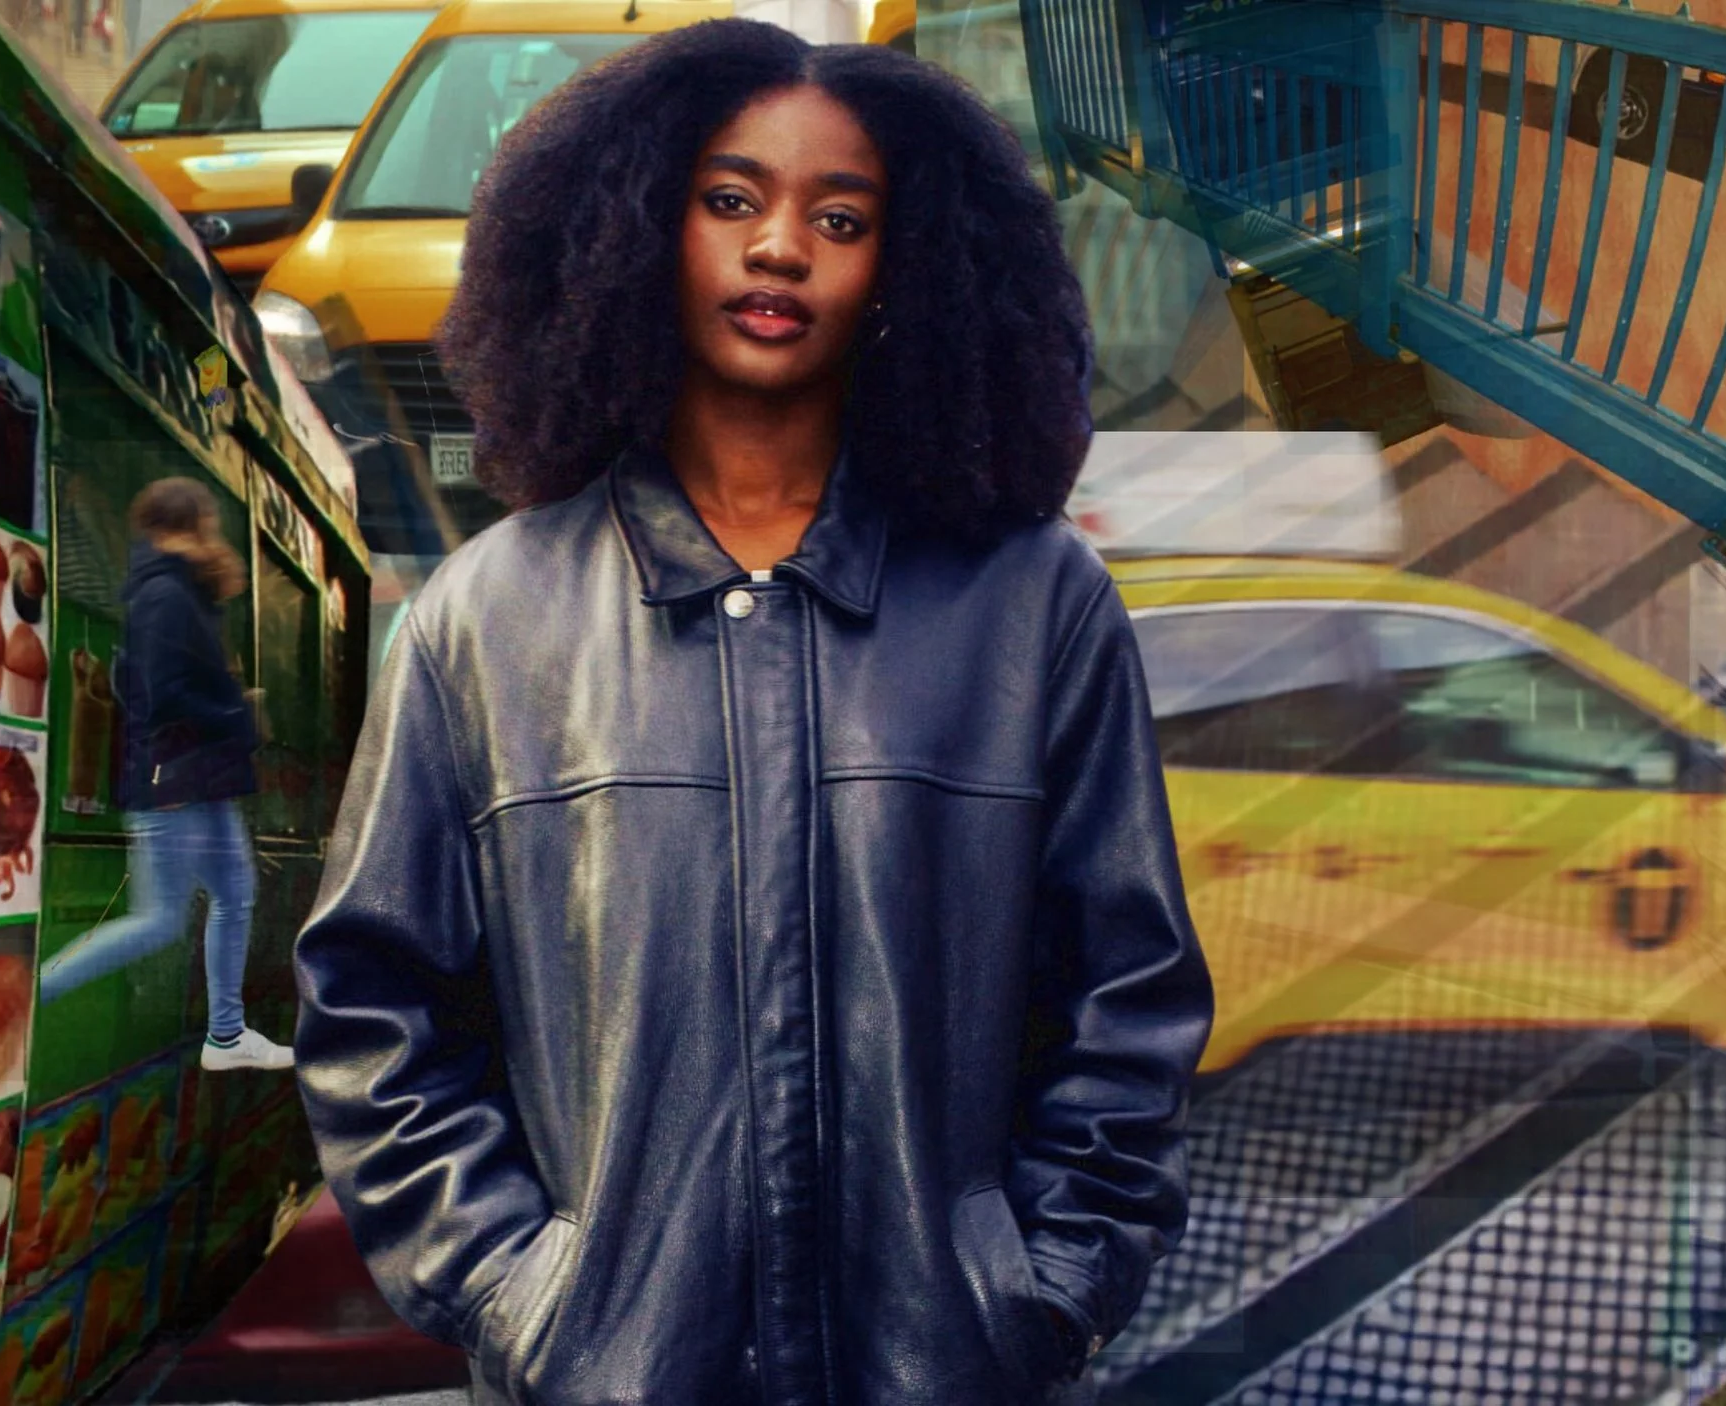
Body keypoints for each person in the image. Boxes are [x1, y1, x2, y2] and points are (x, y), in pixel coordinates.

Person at [294, 21, 1211, 1405]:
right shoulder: (488, 621)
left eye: (838, 217)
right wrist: (518, 1294)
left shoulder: (1035, 606)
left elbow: (1124, 995)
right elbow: (376, 1008)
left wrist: (1044, 1291)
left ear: (905, 267)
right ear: (634, 231)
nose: (780, 246)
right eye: (733, 199)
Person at [40, 478, 294, 1073]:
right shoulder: (165, 595)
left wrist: (230, 706)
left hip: (199, 777)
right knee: (159, 921)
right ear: (194, 522)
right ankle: (39, 990)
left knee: (235, 894)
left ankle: (226, 1036)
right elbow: (160, 695)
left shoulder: (182, 592)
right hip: (176, 783)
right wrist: (238, 713)